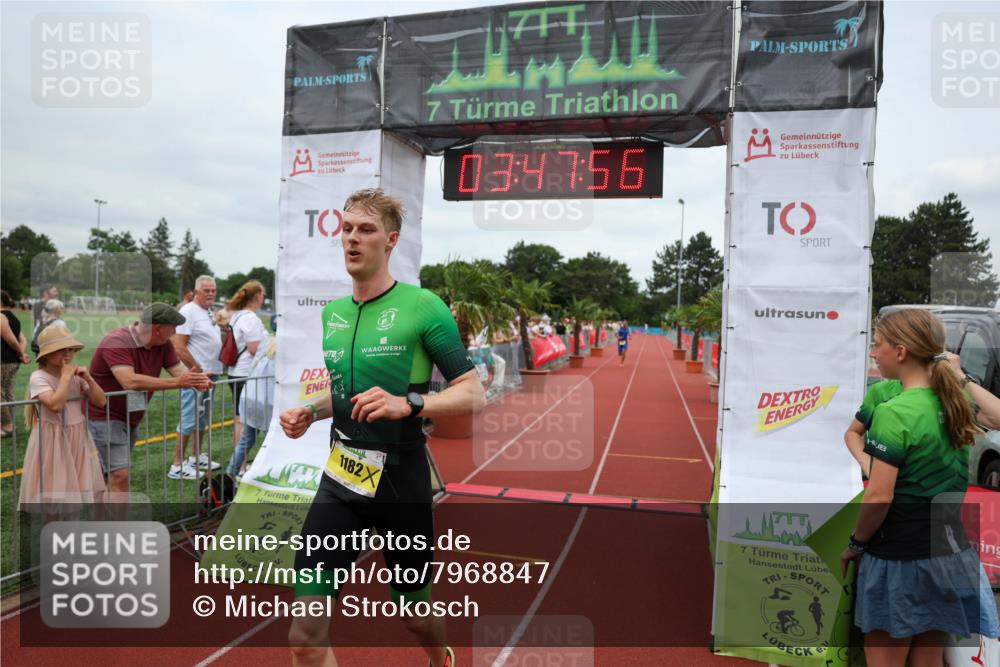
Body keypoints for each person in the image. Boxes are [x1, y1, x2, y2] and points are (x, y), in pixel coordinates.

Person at [279, 187, 485, 667]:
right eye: (346, 229)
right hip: (341, 480)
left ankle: (440, 658)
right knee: (304, 636)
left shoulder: (422, 306)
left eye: (365, 230)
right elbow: (348, 393)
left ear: (390, 240)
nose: (352, 239)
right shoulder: (333, 314)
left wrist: (410, 403)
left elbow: (473, 392)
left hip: (400, 484)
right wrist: (312, 410)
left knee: (412, 612)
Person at [839, 309, 999, 667]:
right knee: (927, 660)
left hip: (899, 556)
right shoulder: (952, 401)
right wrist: (960, 378)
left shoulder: (894, 411)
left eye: (876, 345)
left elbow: (880, 495)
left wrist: (855, 544)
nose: (872, 352)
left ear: (900, 352)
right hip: (949, 554)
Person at [88, 303, 213, 494]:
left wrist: (197, 379)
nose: (174, 332)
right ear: (158, 329)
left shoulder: (163, 345)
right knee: (119, 474)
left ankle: (100, 517)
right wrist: (179, 382)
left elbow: (178, 370)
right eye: (172, 328)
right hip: (104, 416)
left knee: (109, 474)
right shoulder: (117, 341)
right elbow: (129, 381)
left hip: (130, 417)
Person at [20, 324, 107, 512]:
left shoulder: (76, 376)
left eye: (70, 350)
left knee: (74, 495)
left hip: (77, 437)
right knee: (54, 492)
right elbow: (55, 405)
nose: (67, 355)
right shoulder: (38, 377)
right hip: (52, 440)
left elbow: (101, 401)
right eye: (60, 351)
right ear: (46, 354)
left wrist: (89, 379)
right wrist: (66, 378)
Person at [169, 275, 223, 480]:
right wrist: (197, 368)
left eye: (213, 290)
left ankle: (195, 456)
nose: (210, 293)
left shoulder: (207, 311)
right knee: (189, 418)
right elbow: (179, 346)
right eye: (206, 290)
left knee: (202, 419)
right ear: (196, 292)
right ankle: (177, 465)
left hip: (210, 373)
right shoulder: (188, 311)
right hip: (196, 376)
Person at [224, 280, 268, 454]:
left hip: (236, 373)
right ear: (257, 296)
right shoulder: (250, 318)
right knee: (245, 421)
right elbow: (254, 348)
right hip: (245, 374)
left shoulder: (238, 315)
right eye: (263, 295)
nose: (263, 298)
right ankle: (240, 464)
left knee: (240, 419)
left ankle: (239, 463)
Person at [227, 336, 275, 479]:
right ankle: (270, 475)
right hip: (268, 399)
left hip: (251, 396)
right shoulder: (286, 345)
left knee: (246, 440)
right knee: (272, 440)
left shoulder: (266, 341)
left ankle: (231, 473)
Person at [1, 290, 31, 437]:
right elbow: (22, 340)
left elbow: (12, 340)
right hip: (12, 361)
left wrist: (20, 354)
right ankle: (9, 423)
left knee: (1, 392)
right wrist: (20, 354)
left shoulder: (1, 317)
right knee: (8, 392)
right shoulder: (13, 317)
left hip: (3, 361)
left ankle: (7, 426)